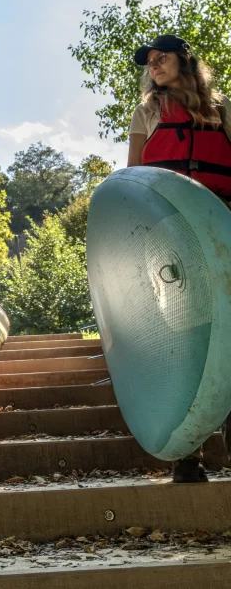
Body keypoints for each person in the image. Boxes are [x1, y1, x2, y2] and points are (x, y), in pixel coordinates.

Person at [128, 33, 231, 483]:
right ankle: (186, 453)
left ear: (184, 60)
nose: (153, 65)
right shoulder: (147, 112)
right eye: (148, 61)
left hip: (221, 228)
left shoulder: (222, 109)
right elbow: (131, 181)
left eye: (161, 57)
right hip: (169, 238)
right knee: (183, 336)